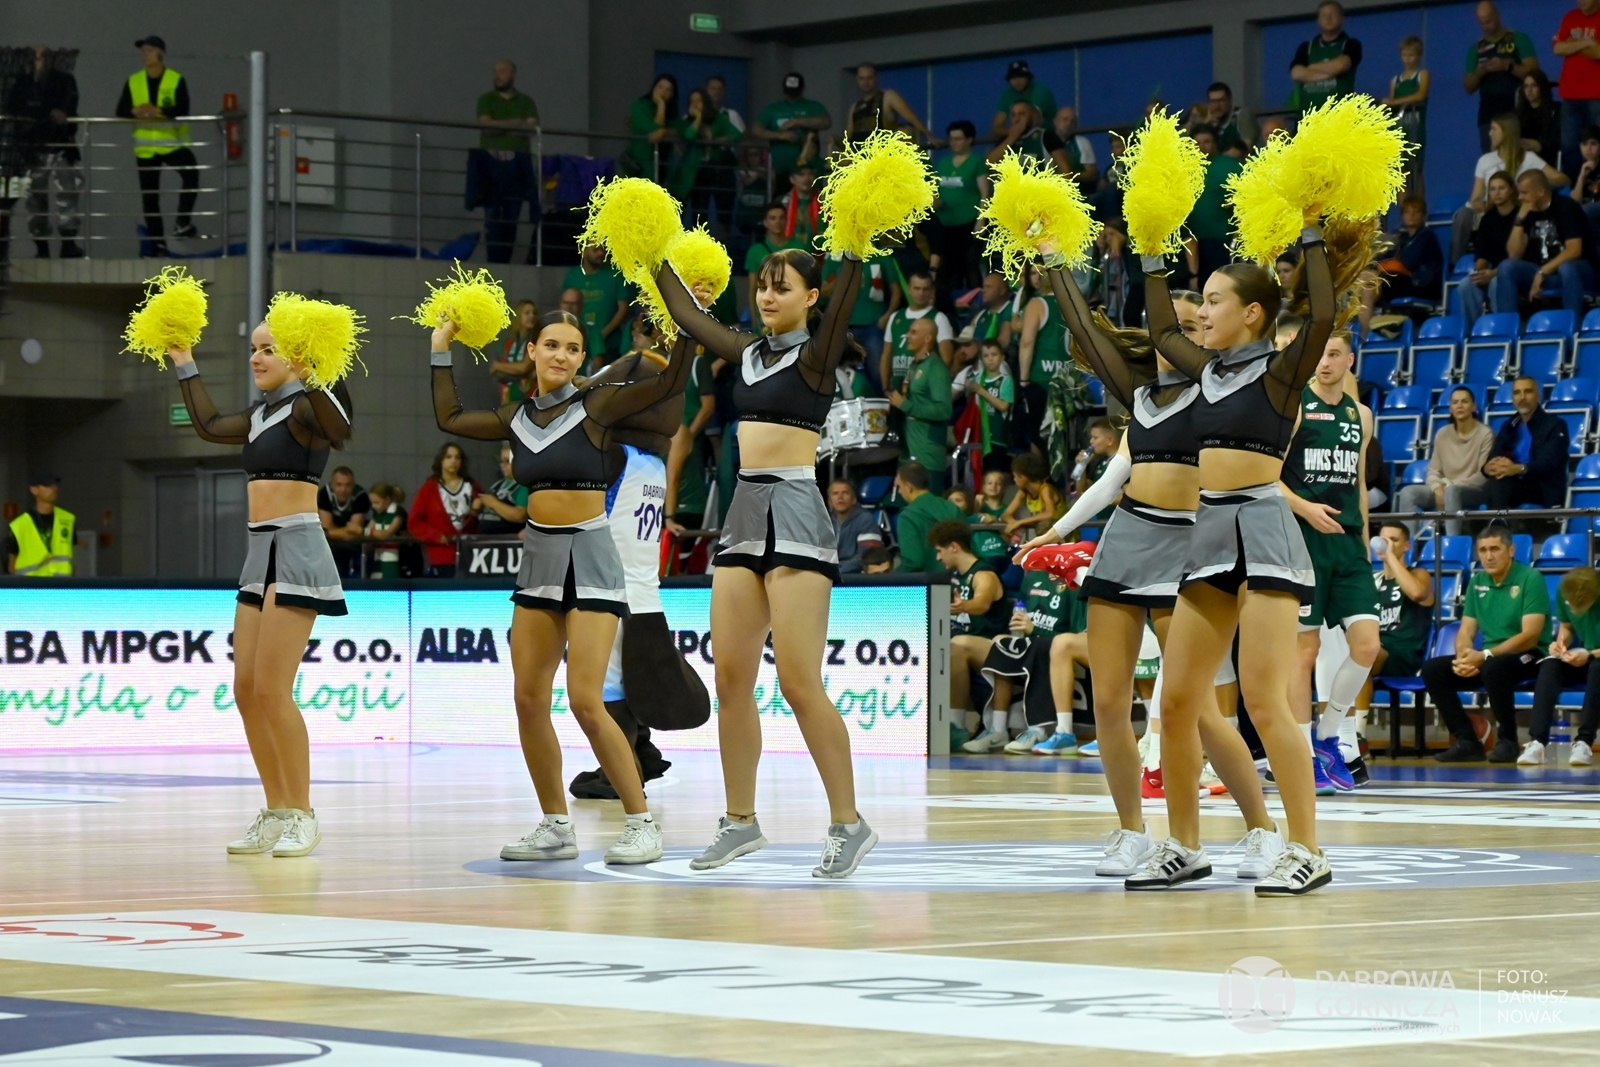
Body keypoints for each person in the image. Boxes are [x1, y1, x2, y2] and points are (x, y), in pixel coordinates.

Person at [656, 238, 885, 878]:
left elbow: (845, 301)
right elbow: (687, 315)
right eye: (762, 285)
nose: (766, 296)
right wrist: (649, 250)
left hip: (796, 511)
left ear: (810, 298)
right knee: (731, 680)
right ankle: (740, 822)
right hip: (744, 513)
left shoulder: (817, 355)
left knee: (798, 683)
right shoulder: (747, 353)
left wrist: (854, 250)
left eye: (782, 287)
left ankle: (849, 824)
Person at [430, 305, 690, 862]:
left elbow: (668, 384)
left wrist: (685, 329)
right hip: (540, 563)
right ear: (531, 351)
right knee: (528, 700)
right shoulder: (515, 416)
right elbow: (449, 417)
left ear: (581, 359)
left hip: (592, 559)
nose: (561, 355)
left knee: (585, 701)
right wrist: (440, 347)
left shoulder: (595, 406)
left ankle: (641, 822)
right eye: (551, 345)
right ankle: (555, 825)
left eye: (572, 349)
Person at [1141, 210, 1343, 894]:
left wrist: (1311, 232)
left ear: (1252, 313)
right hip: (1208, 534)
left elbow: (1320, 316)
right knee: (1177, 702)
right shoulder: (1206, 372)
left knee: (1263, 700)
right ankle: (1184, 845)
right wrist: (1151, 253)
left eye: (1214, 300)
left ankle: (1307, 848)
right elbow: (1161, 331)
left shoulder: (1282, 372)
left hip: (1262, 531)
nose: (1201, 313)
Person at [165, 302, 358, 858]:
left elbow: (342, 429)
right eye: (253, 348)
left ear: (297, 357)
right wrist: (184, 359)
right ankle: (275, 811)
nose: (256, 357)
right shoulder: (258, 415)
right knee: (246, 690)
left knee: (274, 690)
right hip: (259, 552)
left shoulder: (309, 406)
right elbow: (207, 425)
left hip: (297, 549)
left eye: (268, 349)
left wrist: (317, 372)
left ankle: (303, 813)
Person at [1279, 332, 1379, 793]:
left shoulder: (1362, 415)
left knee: (1367, 646)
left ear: (1349, 360)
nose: (1325, 362)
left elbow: (1359, 482)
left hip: (1348, 546)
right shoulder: (1294, 406)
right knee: (1304, 651)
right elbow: (1266, 477)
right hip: (1304, 541)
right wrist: (1305, 508)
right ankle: (1302, 756)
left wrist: (1366, 540)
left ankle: (1328, 735)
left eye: (1334, 354)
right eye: (1319, 353)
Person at [1423, 526, 1548, 762]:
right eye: (1483, 550)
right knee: (1433, 669)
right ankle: (1467, 741)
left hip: (1531, 655)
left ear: (1511, 550)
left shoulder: (1530, 578)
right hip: (1490, 657)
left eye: (1495, 549)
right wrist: (1464, 657)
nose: (1488, 556)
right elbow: (1466, 630)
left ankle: (1508, 741)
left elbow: (1530, 636)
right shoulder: (1477, 581)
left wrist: (1484, 655)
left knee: (1493, 667)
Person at [980, 558, 1088, 755]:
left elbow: (1076, 634)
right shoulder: (1033, 577)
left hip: (1052, 643)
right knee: (1001, 644)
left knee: (1041, 647)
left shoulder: (1075, 579)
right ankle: (997, 729)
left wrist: (1036, 630)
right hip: (1032, 639)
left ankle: (1038, 730)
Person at [933, 520, 1011, 749]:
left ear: (954, 547)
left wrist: (963, 606)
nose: (938, 557)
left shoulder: (984, 573)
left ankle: (955, 725)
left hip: (993, 645)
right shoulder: (953, 576)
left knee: (956, 645)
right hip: (964, 642)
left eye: (940, 551)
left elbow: (982, 603)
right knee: (947, 645)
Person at [115, 36, 195, 256]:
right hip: (146, 148)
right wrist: (135, 111)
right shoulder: (134, 80)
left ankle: (182, 221)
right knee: (150, 198)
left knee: (192, 174)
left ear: (161, 53)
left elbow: (183, 109)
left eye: (149, 50)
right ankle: (158, 243)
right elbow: (120, 110)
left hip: (171, 143)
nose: (145, 55)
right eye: (143, 51)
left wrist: (157, 111)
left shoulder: (175, 79)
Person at [8, 46, 82, 259]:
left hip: (60, 146)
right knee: (34, 199)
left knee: (67, 193)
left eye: (43, 57)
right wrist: (47, 113)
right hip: (32, 150)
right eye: (36, 57)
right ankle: (41, 246)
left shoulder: (64, 80)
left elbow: (67, 108)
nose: (39, 61)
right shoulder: (23, 82)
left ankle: (68, 243)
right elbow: (13, 108)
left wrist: (45, 114)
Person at [1524, 566, 1600, 766]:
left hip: (1596, 659)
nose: (1573, 609)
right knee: (1550, 665)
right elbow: (1566, 625)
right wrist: (1560, 644)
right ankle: (1537, 742)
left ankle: (1584, 742)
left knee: (1597, 667)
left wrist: (1590, 655)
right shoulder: (1564, 590)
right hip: (1586, 655)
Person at [1395, 386, 1495, 535]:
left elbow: (1483, 476)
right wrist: (1437, 487)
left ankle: (1452, 542)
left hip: (1474, 490)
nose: (1459, 406)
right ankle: (1407, 544)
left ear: (1474, 406)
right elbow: (1433, 470)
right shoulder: (1442, 434)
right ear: (1450, 408)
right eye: (1455, 402)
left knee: (1452, 492)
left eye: (1464, 401)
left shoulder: (1485, 434)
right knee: (1408, 492)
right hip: (1446, 488)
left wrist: (1449, 487)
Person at [475, 60, 539, 264]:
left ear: (513, 74)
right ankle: (495, 264)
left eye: (502, 71)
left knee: (512, 218)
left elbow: (530, 130)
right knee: (492, 218)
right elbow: (486, 127)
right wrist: (514, 123)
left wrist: (499, 126)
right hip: (491, 166)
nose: (498, 75)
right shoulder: (486, 99)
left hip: (517, 167)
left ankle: (505, 263)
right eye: (495, 71)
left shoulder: (526, 101)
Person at [1484, 375, 1570, 509]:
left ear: (1538, 397)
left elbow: (1548, 463)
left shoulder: (1555, 425)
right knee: (1497, 480)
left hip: (1542, 487)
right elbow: (1494, 456)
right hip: (1513, 484)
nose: (1522, 397)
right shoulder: (1509, 426)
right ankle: (1496, 521)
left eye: (1528, 391)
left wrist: (1518, 469)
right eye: (1517, 393)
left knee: (1498, 484)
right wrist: (1488, 468)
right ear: (1513, 399)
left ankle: (1496, 521)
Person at [888, 317, 953, 493]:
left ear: (927, 338)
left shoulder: (936, 368)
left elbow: (944, 410)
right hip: (909, 453)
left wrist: (906, 405)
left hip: (927, 457)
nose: (907, 336)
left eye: (913, 332)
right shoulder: (915, 366)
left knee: (928, 508)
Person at [1466, 2, 1539, 152]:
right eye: (1482, 23)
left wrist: (1507, 66)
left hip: (1517, 112)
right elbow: (1468, 86)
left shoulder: (1518, 39)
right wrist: (1480, 72)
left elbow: (1534, 72)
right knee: (1491, 161)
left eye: (1489, 21)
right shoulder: (1476, 49)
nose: (1486, 26)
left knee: (1518, 157)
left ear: (1497, 15)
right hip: (1488, 115)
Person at [823, 251, 901, 385]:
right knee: (848, 375)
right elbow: (822, 291)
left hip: (873, 325)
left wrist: (887, 316)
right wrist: (842, 279)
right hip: (844, 327)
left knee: (878, 373)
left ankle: (882, 398)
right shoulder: (834, 258)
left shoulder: (881, 256)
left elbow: (896, 290)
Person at [1016, 264, 1073, 448]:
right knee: (1064, 438)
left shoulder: (1037, 304)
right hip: (1067, 378)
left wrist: (1023, 380)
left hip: (1041, 379)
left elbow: (1027, 342)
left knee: (1038, 438)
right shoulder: (1072, 304)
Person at [1458, 171, 1522, 326]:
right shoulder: (1487, 219)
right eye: (1493, 189)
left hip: (1515, 269)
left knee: (1496, 283)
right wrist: (1479, 273)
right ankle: (1473, 330)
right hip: (1492, 271)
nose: (1497, 193)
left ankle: (1501, 328)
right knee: (1466, 285)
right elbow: (1482, 255)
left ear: (1511, 190)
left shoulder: (1520, 215)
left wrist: (1493, 273)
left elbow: (1520, 256)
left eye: (1502, 188)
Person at [409, 443, 481, 578]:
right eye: (449, 457)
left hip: (470, 553)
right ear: (441, 460)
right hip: (441, 554)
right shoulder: (429, 489)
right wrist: (435, 535)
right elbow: (414, 522)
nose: (453, 461)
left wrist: (477, 510)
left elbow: (487, 516)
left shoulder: (472, 486)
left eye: (457, 457)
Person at [930, 120, 985, 296]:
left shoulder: (976, 162)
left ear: (969, 140)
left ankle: (977, 302)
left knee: (970, 263)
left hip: (969, 221)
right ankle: (950, 305)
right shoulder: (943, 163)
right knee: (948, 267)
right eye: (951, 139)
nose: (954, 143)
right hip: (946, 223)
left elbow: (985, 193)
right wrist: (936, 202)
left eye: (958, 139)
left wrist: (981, 220)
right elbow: (936, 191)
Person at [672, 87, 740, 228]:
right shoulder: (686, 122)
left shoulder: (718, 119)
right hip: (689, 172)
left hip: (712, 171)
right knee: (680, 209)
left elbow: (736, 134)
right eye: (692, 101)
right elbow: (689, 136)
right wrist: (697, 118)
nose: (695, 104)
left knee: (702, 212)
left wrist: (719, 140)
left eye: (699, 101)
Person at [1187, 126, 1245, 289]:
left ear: (1215, 143)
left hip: (1221, 240)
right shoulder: (1185, 169)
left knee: (1222, 287)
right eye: (1197, 143)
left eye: (1206, 142)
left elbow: (1246, 196)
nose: (1201, 146)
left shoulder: (1230, 166)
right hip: (1191, 243)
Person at [880, 270, 955, 390]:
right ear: (908, 289)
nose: (921, 293)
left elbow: (947, 359)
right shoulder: (895, 317)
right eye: (917, 288)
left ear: (932, 291)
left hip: (923, 390)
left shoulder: (939, 318)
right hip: (898, 388)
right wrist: (885, 388)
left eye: (926, 289)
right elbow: (886, 355)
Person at [753, 72, 831, 185]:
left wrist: (798, 122)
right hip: (781, 168)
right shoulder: (773, 108)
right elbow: (756, 130)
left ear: (802, 89)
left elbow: (826, 122)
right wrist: (780, 135)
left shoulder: (813, 106)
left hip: (808, 167)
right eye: (789, 91)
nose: (792, 95)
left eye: (795, 91)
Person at [1555, 0, 1600, 184]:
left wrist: (1572, 44)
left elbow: (1598, 53)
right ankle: (1574, 189)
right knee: (1570, 148)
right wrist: (1587, 42)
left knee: (1597, 145)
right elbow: (1558, 48)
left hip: (1597, 95)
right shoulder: (1570, 17)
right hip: (1570, 95)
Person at [1289, 1, 1363, 113]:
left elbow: (1340, 66)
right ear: (1318, 21)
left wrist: (1310, 68)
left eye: (1333, 14)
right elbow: (1296, 73)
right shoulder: (1306, 47)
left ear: (1342, 19)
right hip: (1308, 116)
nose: (1328, 19)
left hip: (1339, 116)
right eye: (1324, 15)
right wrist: (1330, 74)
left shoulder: (1351, 44)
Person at [562, 245, 630, 365]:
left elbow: (623, 309)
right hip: (578, 344)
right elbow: (565, 306)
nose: (600, 253)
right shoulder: (572, 275)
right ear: (583, 251)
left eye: (602, 249)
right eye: (595, 250)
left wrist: (602, 334)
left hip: (610, 346)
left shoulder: (615, 275)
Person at [893, 461, 962, 574]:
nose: (899, 491)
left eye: (899, 487)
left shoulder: (908, 516)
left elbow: (913, 562)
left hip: (930, 582)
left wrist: (890, 579)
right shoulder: (952, 508)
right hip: (960, 580)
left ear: (909, 487)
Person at [1382, 36, 1430, 196]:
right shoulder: (1395, 80)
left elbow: (1421, 95)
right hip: (1399, 128)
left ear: (1419, 56)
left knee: (1416, 168)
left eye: (1411, 55)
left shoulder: (1423, 74)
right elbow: (1391, 104)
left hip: (1415, 127)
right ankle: (1405, 208)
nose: (1408, 59)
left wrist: (1395, 102)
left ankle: (1419, 206)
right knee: (1400, 172)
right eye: (1404, 55)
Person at [1377, 194, 1443, 304]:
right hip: (1403, 282)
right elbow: (1384, 258)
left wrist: (1385, 266)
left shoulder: (1427, 237)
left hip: (1421, 285)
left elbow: (1407, 261)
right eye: (1407, 212)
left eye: (1416, 212)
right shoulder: (1403, 239)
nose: (1411, 215)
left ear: (1423, 215)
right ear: (1402, 216)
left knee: (1381, 280)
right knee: (1368, 280)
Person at [6, 470, 74, 576]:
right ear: (34, 490)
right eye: (47, 485)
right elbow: (12, 566)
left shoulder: (68, 520)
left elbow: (71, 559)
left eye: (55, 485)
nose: (54, 489)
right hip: (32, 585)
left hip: (61, 585)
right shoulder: (19, 525)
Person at [846, 64, 935, 144]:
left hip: (881, 153)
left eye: (870, 78)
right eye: (862, 79)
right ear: (857, 80)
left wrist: (929, 137)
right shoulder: (854, 107)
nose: (866, 82)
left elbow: (912, 118)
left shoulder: (888, 97)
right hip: (859, 155)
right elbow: (849, 137)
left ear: (876, 78)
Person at [986, 102, 1073, 176]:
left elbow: (1066, 171)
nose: (1017, 119)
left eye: (1022, 114)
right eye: (1013, 115)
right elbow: (988, 164)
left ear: (1032, 116)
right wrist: (1011, 138)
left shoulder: (1047, 136)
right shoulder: (1006, 140)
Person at [746, 203, 804, 312]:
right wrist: (754, 320)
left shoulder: (799, 247)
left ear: (786, 220)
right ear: (765, 222)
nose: (777, 222)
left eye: (781, 218)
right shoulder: (755, 251)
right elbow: (753, 289)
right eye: (773, 218)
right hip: (767, 308)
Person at [316, 466, 369, 579]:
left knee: (359, 573)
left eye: (348, 485)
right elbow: (326, 527)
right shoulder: (324, 494)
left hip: (355, 544)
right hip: (333, 545)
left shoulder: (361, 496)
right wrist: (330, 533)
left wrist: (330, 533)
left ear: (353, 485)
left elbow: (354, 531)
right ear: (332, 485)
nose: (343, 489)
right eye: (339, 485)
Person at [966, 339, 1014, 462]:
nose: (990, 359)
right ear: (981, 359)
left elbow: (1003, 406)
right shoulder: (977, 380)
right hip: (979, 436)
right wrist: (969, 390)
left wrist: (981, 391)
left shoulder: (1005, 380)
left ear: (1002, 357)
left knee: (993, 471)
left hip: (997, 438)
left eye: (994, 355)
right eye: (986, 356)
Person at [1002, 451, 1065, 543]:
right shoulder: (1023, 492)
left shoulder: (1045, 489)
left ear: (1023, 478)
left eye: (1015, 476)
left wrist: (1020, 522)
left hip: (1063, 534)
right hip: (1047, 536)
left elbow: (1049, 514)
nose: (1014, 480)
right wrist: (1013, 523)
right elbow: (1006, 515)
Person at [624, 74, 678, 180]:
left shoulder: (672, 112)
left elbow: (678, 130)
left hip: (664, 163)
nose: (663, 92)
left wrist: (664, 132)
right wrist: (661, 105)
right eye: (660, 87)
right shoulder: (639, 106)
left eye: (668, 90)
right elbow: (654, 130)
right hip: (642, 164)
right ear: (653, 88)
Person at [991, 60, 1057, 141]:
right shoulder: (1008, 94)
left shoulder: (1040, 91)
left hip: (1047, 137)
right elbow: (997, 127)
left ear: (1028, 77)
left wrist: (1013, 133)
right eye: (1013, 78)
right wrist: (1010, 132)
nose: (1017, 81)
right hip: (1024, 138)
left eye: (1020, 76)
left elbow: (1032, 123)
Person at [475, 442, 530, 535]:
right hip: (485, 538)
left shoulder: (523, 486)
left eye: (507, 461)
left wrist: (493, 503)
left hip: (507, 539)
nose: (502, 465)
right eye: (501, 461)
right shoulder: (497, 485)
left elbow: (520, 515)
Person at [490, 300, 539, 404]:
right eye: (527, 313)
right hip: (508, 398)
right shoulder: (508, 342)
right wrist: (524, 373)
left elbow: (524, 367)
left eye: (534, 313)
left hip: (529, 400)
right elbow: (493, 371)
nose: (532, 316)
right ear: (518, 316)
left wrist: (499, 366)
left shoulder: (536, 341)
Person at [830, 479, 883, 574]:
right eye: (835, 493)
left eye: (845, 493)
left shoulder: (866, 520)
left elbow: (866, 556)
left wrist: (838, 573)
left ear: (854, 500)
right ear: (830, 502)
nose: (840, 497)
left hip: (855, 575)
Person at [364, 483, 407, 580]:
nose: (374, 506)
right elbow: (369, 528)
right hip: (378, 554)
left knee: (390, 581)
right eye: (372, 503)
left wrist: (362, 531)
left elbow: (387, 534)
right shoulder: (377, 514)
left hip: (396, 555)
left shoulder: (398, 512)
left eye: (377, 502)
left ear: (387, 499)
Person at [1518, 69, 1562, 161]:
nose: (1529, 90)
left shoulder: (1555, 109)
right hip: (1523, 156)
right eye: (1526, 86)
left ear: (1542, 87)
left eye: (1534, 85)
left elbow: (1556, 139)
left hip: (1547, 156)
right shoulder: (1518, 112)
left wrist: (1539, 145)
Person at [1052, 106, 1100, 191]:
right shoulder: (1044, 141)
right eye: (1065, 119)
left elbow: (1092, 173)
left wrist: (1071, 175)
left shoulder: (1082, 142)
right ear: (1055, 121)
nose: (1069, 123)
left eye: (1072, 121)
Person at [1198, 81, 1253, 151]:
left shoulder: (1241, 115)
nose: (1217, 106)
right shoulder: (1207, 121)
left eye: (1221, 100)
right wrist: (1205, 126)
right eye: (1213, 101)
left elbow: (1247, 148)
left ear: (1230, 100)